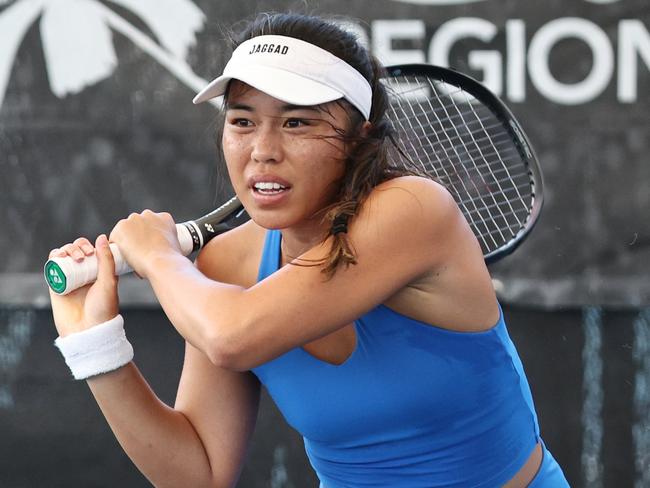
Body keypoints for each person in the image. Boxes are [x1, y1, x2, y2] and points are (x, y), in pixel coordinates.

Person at [48, 12, 570, 488]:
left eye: (297, 122)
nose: (263, 150)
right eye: (242, 121)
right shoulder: (226, 266)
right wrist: (95, 344)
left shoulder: (415, 209)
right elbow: (198, 475)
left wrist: (158, 256)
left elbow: (233, 337)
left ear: (359, 138)